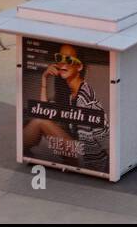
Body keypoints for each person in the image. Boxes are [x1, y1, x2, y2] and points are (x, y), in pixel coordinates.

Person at [21, 43, 109, 175]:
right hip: (78, 152)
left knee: (39, 122)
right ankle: (23, 152)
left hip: (87, 160)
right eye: (59, 59)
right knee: (38, 122)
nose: (62, 64)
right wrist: (44, 79)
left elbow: (105, 139)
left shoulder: (85, 98)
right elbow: (42, 112)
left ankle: (22, 151)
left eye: (68, 60)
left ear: (79, 66)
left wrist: (110, 169)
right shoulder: (69, 94)